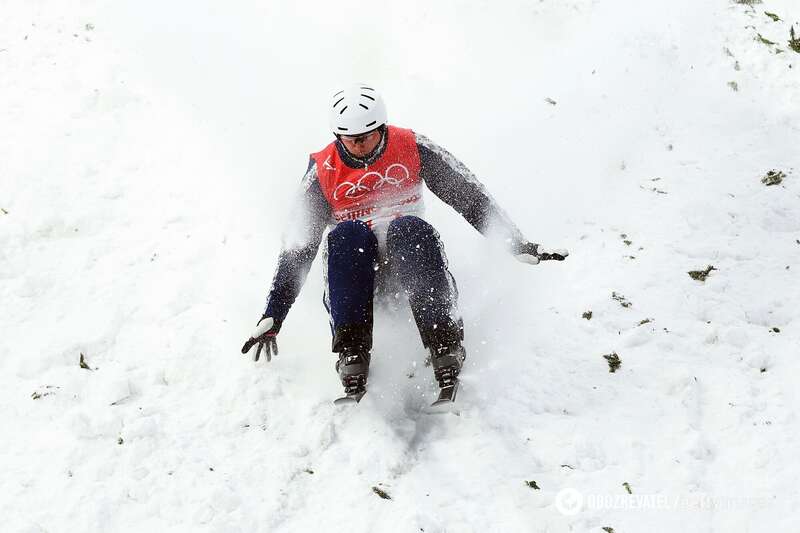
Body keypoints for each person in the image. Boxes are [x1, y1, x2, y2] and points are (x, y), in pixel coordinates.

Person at [241, 84, 568, 403]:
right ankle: (352, 352)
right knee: (346, 235)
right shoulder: (323, 171)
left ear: (382, 127)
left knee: (407, 228)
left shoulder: (411, 145)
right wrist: (274, 313)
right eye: (351, 140)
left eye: (367, 137)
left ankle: (445, 343)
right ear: (337, 135)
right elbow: (298, 246)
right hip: (356, 276)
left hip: (412, 263)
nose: (360, 146)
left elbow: (468, 195)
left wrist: (515, 243)